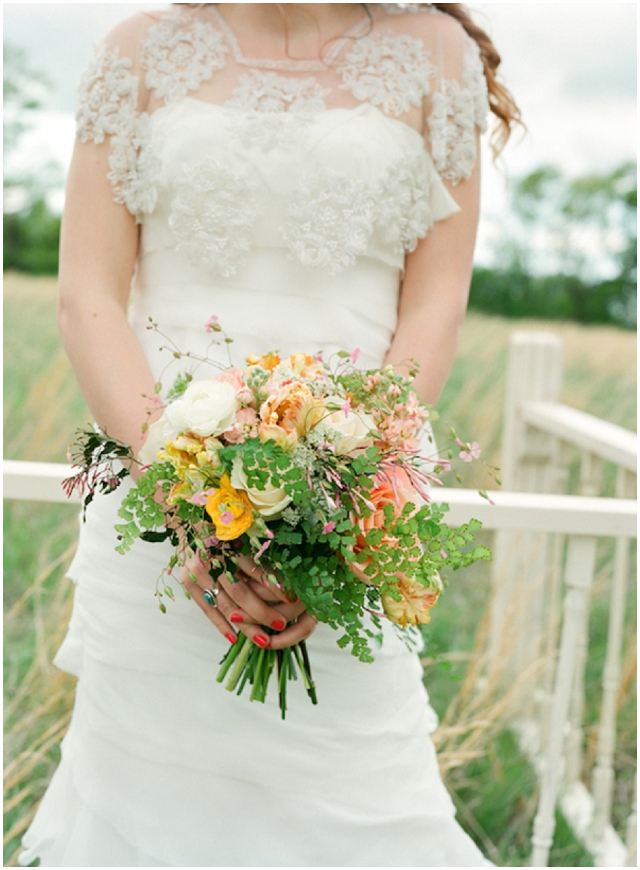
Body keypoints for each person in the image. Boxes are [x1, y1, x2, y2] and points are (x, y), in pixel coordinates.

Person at [19, 3, 520, 866]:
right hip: (160, 529)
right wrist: (185, 500)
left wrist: (340, 502)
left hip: (357, 518)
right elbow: (87, 297)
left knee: (366, 806)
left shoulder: (438, 59)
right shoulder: (136, 52)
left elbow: (434, 305)